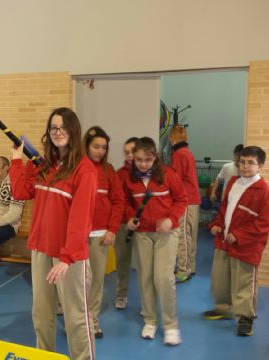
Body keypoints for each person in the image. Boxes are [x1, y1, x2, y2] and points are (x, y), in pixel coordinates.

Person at [10, 107, 97, 360]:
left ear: (73, 130)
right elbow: (20, 192)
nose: (58, 132)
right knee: (41, 313)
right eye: (53, 128)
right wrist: (17, 160)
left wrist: (67, 258)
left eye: (63, 127)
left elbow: (81, 220)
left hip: (68, 255)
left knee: (75, 317)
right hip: (41, 248)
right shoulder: (44, 165)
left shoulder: (84, 170)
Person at [204, 146, 269, 337]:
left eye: (250, 163)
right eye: (242, 162)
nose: (245, 166)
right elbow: (225, 208)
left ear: (260, 166)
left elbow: (265, 223)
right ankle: (224, 308)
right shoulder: (234, 181)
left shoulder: (264, 192)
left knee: (243, 283)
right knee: (220, 279)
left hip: (246, 247)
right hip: (224, 241)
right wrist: (217, 224)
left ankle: (246, 318)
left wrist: (240, 235)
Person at [123, 137, 187, 346]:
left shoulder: (169, 175)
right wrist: (129, 217)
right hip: (142, 234)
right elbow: (125, 202)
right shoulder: (130, 178)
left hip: (166, 234)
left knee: (164, 278)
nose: (143, 164)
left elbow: (181, 199)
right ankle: (150, 320)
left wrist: (171, 219)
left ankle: (170, 325)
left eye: (147, 160)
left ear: (155, 158)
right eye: (139, 159)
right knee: (145, 278)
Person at [82, 126, 125, 339]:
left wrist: (112, 229)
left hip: (100, 236)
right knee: (79, 280)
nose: (99, 151)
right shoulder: (76, 168)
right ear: (86, 147)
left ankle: (92, 321)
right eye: (95, 146)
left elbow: (119, 201)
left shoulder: (109, 171)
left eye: (103, 147)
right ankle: (77, 320)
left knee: (96, 280)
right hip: (78, 235)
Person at [169, 125, 201, 283]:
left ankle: (183, 270)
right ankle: (190, 266)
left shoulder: (178, 154)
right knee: (190, 235)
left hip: (186, 200)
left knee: (183, 235)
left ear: (171, 138)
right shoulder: (187, 152)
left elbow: (175, 179)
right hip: (193, 199)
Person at [113, 136, 138, 310]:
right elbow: (117, 201)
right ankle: (122, 294)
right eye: (127, 152)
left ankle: (148, 302)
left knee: (146, 265)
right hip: (123, 224)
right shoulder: (120, 174)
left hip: (144, 225)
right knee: (122, 260)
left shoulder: (149, 173)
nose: (129, 155)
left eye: (133, 151)